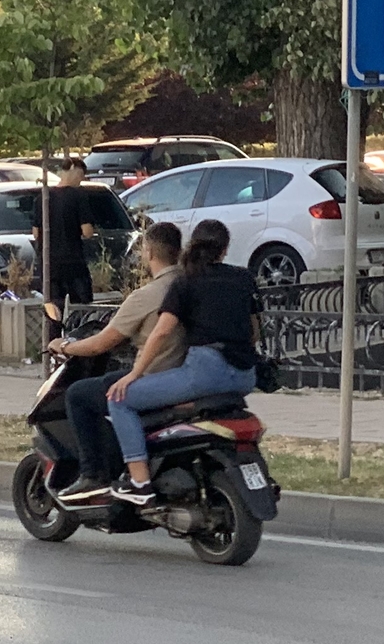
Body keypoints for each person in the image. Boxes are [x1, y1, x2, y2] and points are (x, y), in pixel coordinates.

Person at [99, 218, 263, 506]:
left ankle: (139, 482)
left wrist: (133, 375)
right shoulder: (243, 278)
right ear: (224, 250)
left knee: (119, 399)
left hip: (205, 373)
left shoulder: (185, 281)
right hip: (245, 376)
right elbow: (254, 333)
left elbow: (162, 331)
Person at [45, 220, 183, 499]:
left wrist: (66, 346)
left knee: (79, 395)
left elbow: (101, 344)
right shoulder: (190, 286)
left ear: (149, 253)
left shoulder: (148, 295)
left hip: (153, 377)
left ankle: (93, 474)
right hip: (186, 376)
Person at [40, 159, 95, 326]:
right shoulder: (79, 196)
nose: (81, 179)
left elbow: (36, 232)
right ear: (71, 168)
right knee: (82, 307)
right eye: (80, 174)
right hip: (73, 261)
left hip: (50, 263)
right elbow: (87, 231)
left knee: (53, 308)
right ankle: (78, 341)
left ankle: (52, 344)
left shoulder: (44, 196)